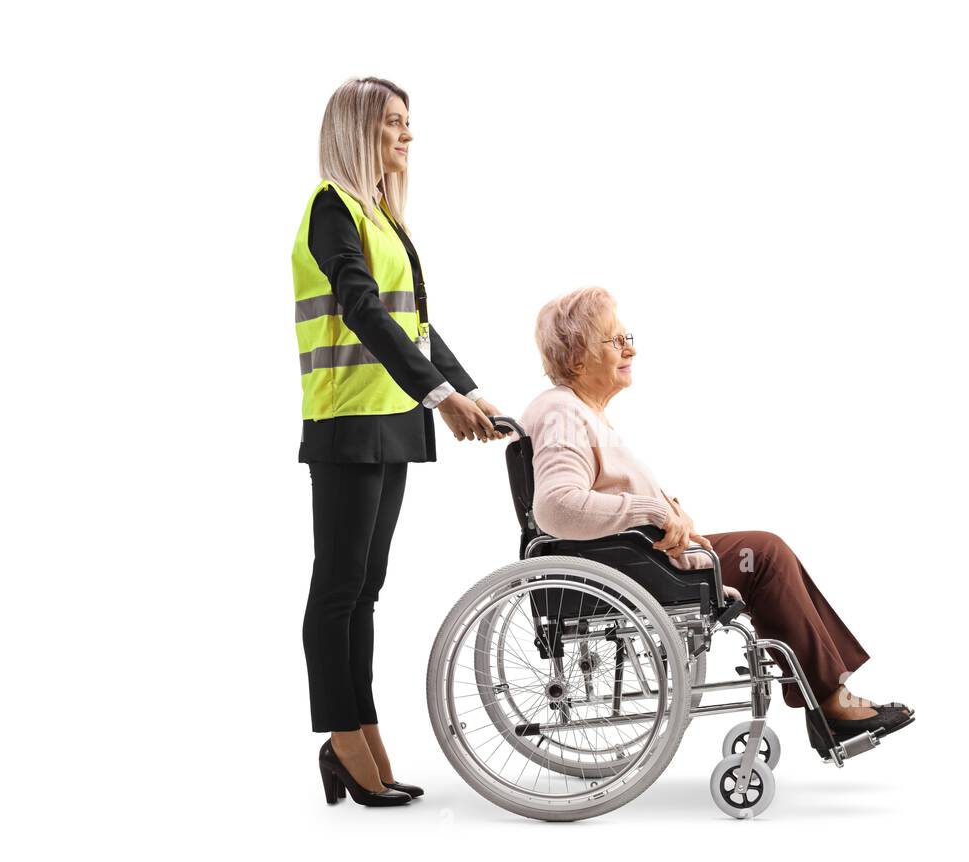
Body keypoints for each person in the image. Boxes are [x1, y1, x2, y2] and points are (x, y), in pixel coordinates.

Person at [517, 286, 915, 758]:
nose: (631, 348)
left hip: (634, 560)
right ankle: (830, 702)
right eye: (614, 340)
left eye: (628, 336)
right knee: (763, 554)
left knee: (765, 551)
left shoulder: (578, 411)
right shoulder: (562, 412)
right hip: (624, 569)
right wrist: (656, 512)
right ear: (578, 359)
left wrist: (666, 512)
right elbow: (557, 507)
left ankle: (830, 696)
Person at [291, 77, 506, 807]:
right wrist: (440, 397)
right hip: (349, 421)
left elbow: (413, 322)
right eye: (392, 123)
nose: (406, 136)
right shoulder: (332, 208)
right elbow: (359, 308)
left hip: (389, 421)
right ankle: (343, 737)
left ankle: (361, 728)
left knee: (366, 591)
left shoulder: (382, 217)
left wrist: (467, 388)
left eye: (408, 123)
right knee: (339, 588)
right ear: (357, 131)